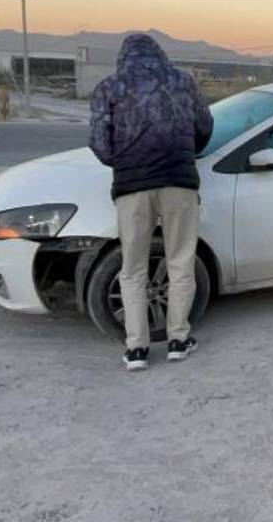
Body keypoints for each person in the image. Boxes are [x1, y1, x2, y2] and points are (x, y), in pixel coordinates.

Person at [88, 33, 213, 371]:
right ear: (159, 54)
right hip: (179, 182)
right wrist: (187, 150)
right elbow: (204, 127)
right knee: (180, 261)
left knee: (132, 269)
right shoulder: (183, 82)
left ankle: (137, 349)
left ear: (123, 57)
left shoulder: (109, 87)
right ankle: (178, 340)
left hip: (132, 188)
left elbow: (98, 143)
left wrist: (127, 162)